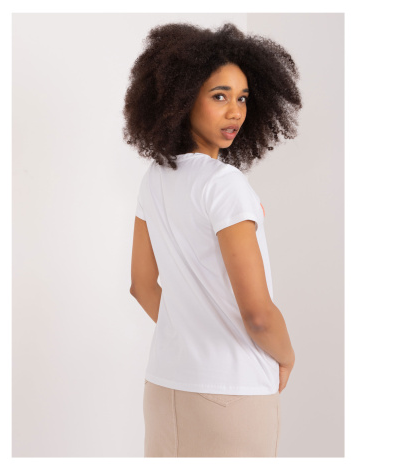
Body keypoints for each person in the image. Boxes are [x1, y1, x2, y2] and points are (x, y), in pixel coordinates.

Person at [124, 22, 302, 458]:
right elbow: (258, 314)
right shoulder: (224, 185)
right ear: (182, 99)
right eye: (220, 96)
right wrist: (286, 355)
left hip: (164, 388)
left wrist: (192, 332)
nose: (236, 112)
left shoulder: (155, 179)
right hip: (232, 397)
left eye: (242, 98)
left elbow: (141, 286)